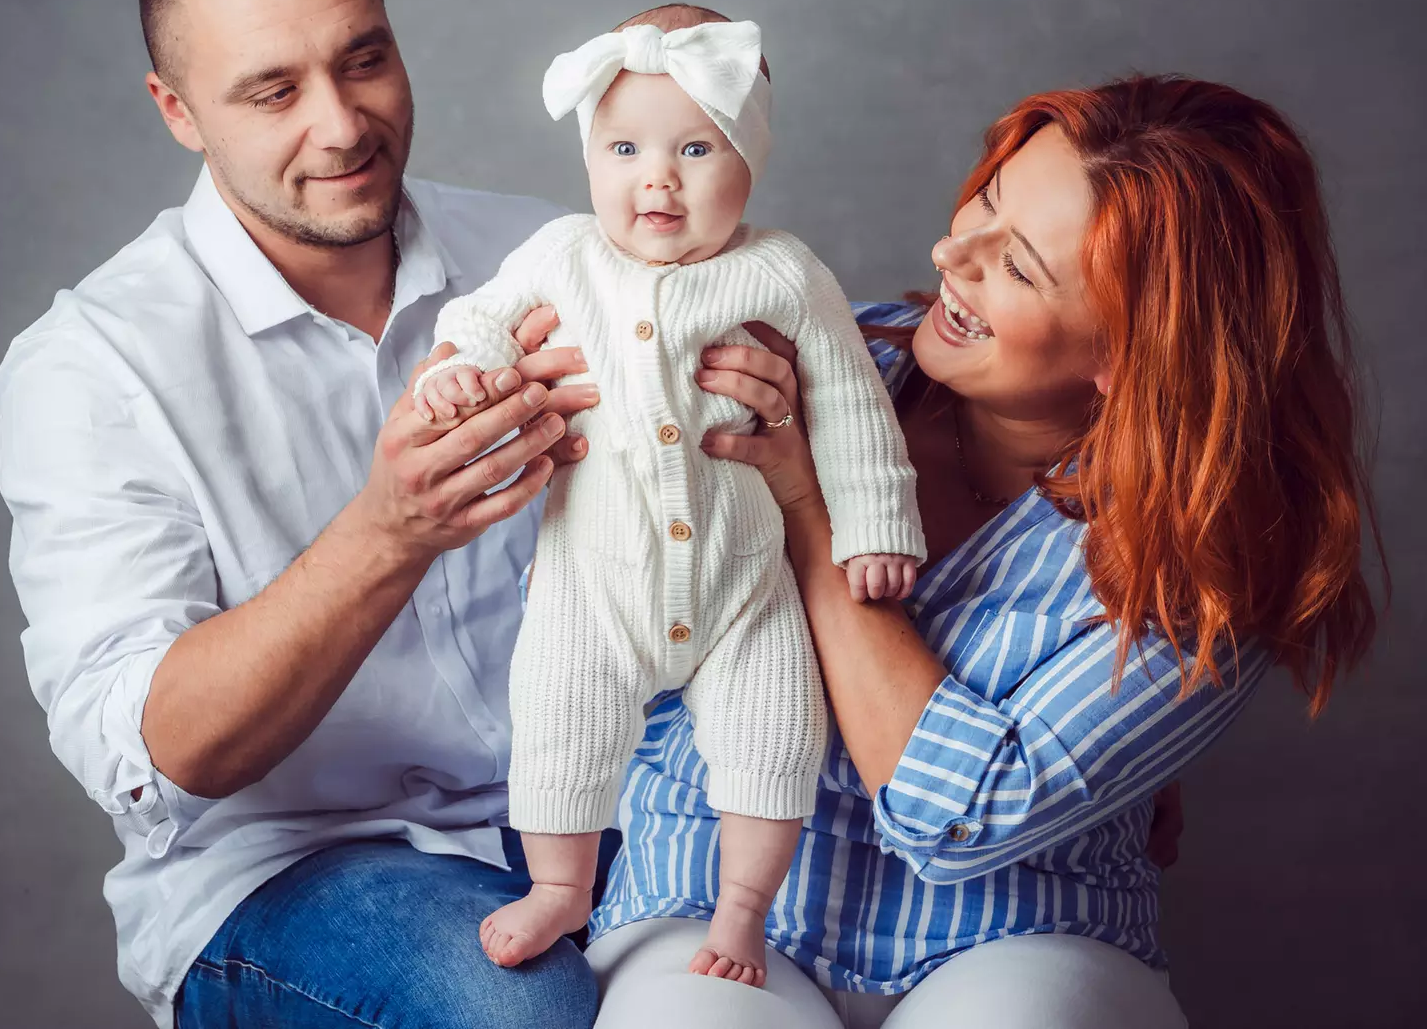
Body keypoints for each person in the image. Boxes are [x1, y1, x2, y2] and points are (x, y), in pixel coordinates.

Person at [586, 75, 1384, 1028]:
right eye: (986, 205)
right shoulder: (811, 363)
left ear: (1134, 350)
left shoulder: (1213, 550)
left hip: (1021, 932)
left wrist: (808, 514)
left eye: (1019, 269)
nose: (951, 255)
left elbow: (960, 816)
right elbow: (602, 606)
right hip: (710, 895)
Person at [0, 0, 600, 1029]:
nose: (341, 123)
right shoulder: (90, 366)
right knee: (526, 1012)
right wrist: (389, 533)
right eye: (273, 91)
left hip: (605, 806)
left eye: (363, 59)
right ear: (178, 110)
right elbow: (160, 752)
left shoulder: (542, 253)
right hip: (291, 869)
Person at [413, 6, 924, 982]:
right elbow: (483, 317)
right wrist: (454, 367)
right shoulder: (566, 254)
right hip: (593, 585)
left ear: (751, 160)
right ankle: (560, 887)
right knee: (559, 721)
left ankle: (740, 911)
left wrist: (874, 528)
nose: (658, 176)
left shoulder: (782, 272)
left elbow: (856, 407)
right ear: (591, 159)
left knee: (774, 741)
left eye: (696, 147)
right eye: (625, 147)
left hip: (746, 588)